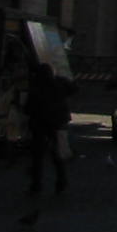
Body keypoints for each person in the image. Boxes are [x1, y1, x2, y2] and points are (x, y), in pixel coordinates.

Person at [24, 63, 73, 195]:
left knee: (38, 156)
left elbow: (28, 107)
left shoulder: (37, 87)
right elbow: (74, 89)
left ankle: (36, 185)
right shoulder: (59, 83)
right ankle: (61, 181)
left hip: (40, 124)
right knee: (58, 154)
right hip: (58, 123)